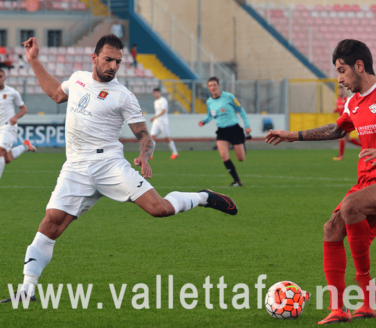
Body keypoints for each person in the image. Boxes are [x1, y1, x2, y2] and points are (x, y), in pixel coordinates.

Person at [0, 35, 238, 303]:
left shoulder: (124, 96)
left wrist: (144, 156)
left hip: (109, 165)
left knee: (159, 209)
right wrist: (33, 60)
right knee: (50, 224)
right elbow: (56, 93)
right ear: (94, 58)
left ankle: (203, 197)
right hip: (76, 167)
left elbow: (144, 135)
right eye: (108, 59)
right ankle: (27, 289)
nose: (113, 65)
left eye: (118, 61)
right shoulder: (77, 79)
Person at [265, 39, 376, 324]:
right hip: (367, 183)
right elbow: (336, 130)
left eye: (342, 70)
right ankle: (339, 309)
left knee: (351, 206)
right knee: (331, 228)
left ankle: (367, 297)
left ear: (359, 66)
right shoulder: (354, 102)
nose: (339, 79)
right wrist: (292, 135)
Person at [199, 77, 251, 187]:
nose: (212, 87)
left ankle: (242, 142)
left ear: (218, 85)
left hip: (235, 129)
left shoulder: (229, 97)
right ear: (208, 88)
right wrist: (204, 121)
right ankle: (237, 181)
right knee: (223, 155)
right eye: (210, 86)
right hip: (222, 131)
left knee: (240, 158)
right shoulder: (209, 102)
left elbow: (241, 110)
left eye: (214, 85)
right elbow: (210, 116)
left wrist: (247, 125)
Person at [0, 68, 36, 179]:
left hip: (8, 126)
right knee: (7, 158)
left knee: (0, 150)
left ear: (4, 78)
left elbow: (24, 109)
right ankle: (26, 146)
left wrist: (15, 117)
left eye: (0, 76)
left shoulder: (12, 92)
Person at [333, 85, 361, 161]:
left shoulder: (347, 99)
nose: (340, 92)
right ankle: (364, 146)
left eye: (341, 90)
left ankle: (341, 156)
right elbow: (340, 109)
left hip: (348, 121)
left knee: (341, 137)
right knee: (348, 139)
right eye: (339, 91)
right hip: (343, 122)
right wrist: (336, 110)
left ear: (344, 91)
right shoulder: (337, 99)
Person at [150, 88, 178, 160]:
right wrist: (155, 118)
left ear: (159, 93)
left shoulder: (163, 100)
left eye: (156, 92)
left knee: (166, 138)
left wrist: (154, 117)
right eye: (154, 93)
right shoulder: (155, 101)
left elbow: (163, 111)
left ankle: (175, 153)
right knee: (152, 137)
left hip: (163, 122)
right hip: (156, 122)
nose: (155, 94)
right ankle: (150, 154)